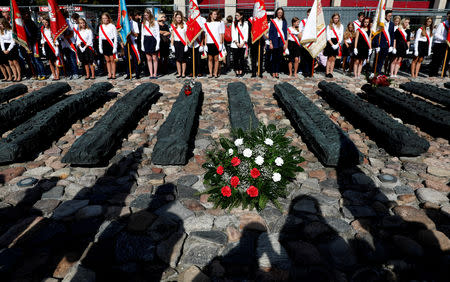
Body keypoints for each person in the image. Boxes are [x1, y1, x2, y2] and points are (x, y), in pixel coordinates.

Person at [23, 10, 46, 80]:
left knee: (37, 60)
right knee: (32, 60)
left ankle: (43, 74)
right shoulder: (24, 24)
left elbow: (36, 33)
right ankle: (37, 74)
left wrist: (35, 40)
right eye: (25, 15)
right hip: (28, 43)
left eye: (27, 14)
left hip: (34, 43)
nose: (26, 16)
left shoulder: (31, 23)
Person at [372, 10, 394, 74]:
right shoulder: (380, 23)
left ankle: (379, 72)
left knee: (382, 60)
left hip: (387, 45)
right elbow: (376, 35)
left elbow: (392, 35)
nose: (390, 17)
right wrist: (376, 45)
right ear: (385, 15)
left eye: (391, 16)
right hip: (380, 44)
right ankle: (375, 71)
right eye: (389, 16)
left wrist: (391, 45)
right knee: (377, 59)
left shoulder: (392, 24)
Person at [204, 10, 225, 78]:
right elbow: (206, 35)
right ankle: (210, 73)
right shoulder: (207, 23)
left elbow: (221, 34)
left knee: (216, 59)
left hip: (216, 43)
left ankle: (215, 73)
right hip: (209, 42)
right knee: (210, 59)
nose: (215, 15)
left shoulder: (219, 23)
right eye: (214, 14)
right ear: (211, 15)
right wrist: (205, 44)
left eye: (216, 14)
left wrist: (221, 44)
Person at [429, 11, 450, 77]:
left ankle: (443, 73)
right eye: (449, 16)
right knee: (436, 60)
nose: (449, 17)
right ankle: (432, 73)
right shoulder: (442, 24)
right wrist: (444, 39)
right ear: (447, 16)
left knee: (446, 59)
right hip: (439, 44)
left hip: (446, 44)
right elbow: (436, 35)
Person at [268, 7, 287, 79]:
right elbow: (271, 32)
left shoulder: (284, 21)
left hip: (281, 41)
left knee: (279, 57)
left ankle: (277, 72)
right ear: (276, 13)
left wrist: (285, 43)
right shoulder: (273, 21)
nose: (280, 14)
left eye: (281, 13)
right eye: (279, 13)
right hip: (274, 40)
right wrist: (270, 43)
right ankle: (273, 71)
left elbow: (285, 33)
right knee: (274, 57)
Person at [60, 9, 79, 79]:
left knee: (72, 58)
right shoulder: (59, 23)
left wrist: (64, 37)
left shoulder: (69, 21)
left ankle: (75, 73)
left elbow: (72, 33)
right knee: (67, 59)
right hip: (64, 43)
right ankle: (69, 73)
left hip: (70, 42)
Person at [141, 9, 160, 79]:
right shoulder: (143, 23)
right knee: (148, 58)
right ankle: (151, 74)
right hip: (146, 40)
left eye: (147, 15)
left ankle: (155, 73)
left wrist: (157, 44)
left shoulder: (155, 22)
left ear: (150, 14)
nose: (146, 16)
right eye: (145, 15)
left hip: (153, 40)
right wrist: (142, 44)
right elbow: (142, 35)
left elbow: (157, 34)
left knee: (154, 58)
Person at [99, 12, 118, 79]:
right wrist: (100, 47)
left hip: (111, 43)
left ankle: (114, 74)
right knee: (107, 60)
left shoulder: (112, 26)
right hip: (104, 43)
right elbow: (100, 37)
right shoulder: (101, 27)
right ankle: (109, 74)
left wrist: (115, 47)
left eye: (105, 18)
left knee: (112, 60)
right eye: (103, 18)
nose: (104, 20)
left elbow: (115, 37)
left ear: (108, 19)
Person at [40, 16, 60, 81]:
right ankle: (54, 75)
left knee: (55, 61)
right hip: (46, 46)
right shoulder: (43, 30)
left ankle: (58, 75)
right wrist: (43, 48)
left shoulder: (52, 30)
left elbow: (55, 39)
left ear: (48, 22)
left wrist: (56, 48)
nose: (45, 24)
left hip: (52, 46)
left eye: (46, 22)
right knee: (50, 62)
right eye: (43, 22)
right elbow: (42, 39)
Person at [324, 13, 343, 78]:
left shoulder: (341, 26)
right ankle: (327, 72)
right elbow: (328, 37)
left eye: (337, 18)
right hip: (330, 42)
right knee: (329, 58)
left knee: (333, 58)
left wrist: (337, 44)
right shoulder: (329, 26)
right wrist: (332, 45)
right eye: (335, 18)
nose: (336, 19)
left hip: (337, 42)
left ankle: (331, 72)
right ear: (332, 18)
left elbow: (341, 36)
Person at [170, 10, 188, 78]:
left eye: (180, 17)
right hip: (176, 43)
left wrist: (186, 44)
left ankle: (183, 73)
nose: (179, 19)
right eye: (177, 17)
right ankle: (179, 73)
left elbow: (186, 36)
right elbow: (172, 36)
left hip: (182, 43)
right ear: (175, 18)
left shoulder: (184, 25)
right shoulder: (173, 25)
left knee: (183, 59)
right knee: (177, 59)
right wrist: (172, 45)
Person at [124, 11, 141, 79]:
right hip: (126, 43)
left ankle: (137, 73)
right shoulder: (123, 24)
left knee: (135, 58)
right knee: (127, 59)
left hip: (133, 43)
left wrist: (131, 32)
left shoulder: (134, 23)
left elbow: (137, 34)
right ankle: (129, 74)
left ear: (130, 16)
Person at [231, 10, 248, 77]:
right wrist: (237, 42)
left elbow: (246, 34)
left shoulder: (245, 24)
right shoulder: (234, 23)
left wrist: (242, 43)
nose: (236, 17)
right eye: (235, 15)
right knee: (235, 58)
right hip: (235, 44)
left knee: (241, 58)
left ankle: (241, 71)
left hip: (242, 44)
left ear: (241, 16)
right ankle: (237, 70)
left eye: (237, 15)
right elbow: (233, 33)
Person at [299, 8, 312, 77]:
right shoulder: (303, 21)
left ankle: (310, 71)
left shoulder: (314, 22)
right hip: (305, 42)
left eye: (311, 13)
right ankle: (305, 71)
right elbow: (300, 32)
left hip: (311, 42)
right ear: (307, 13)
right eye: (308, 13)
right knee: (304, 58)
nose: (309, 14)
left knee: (310, 57)